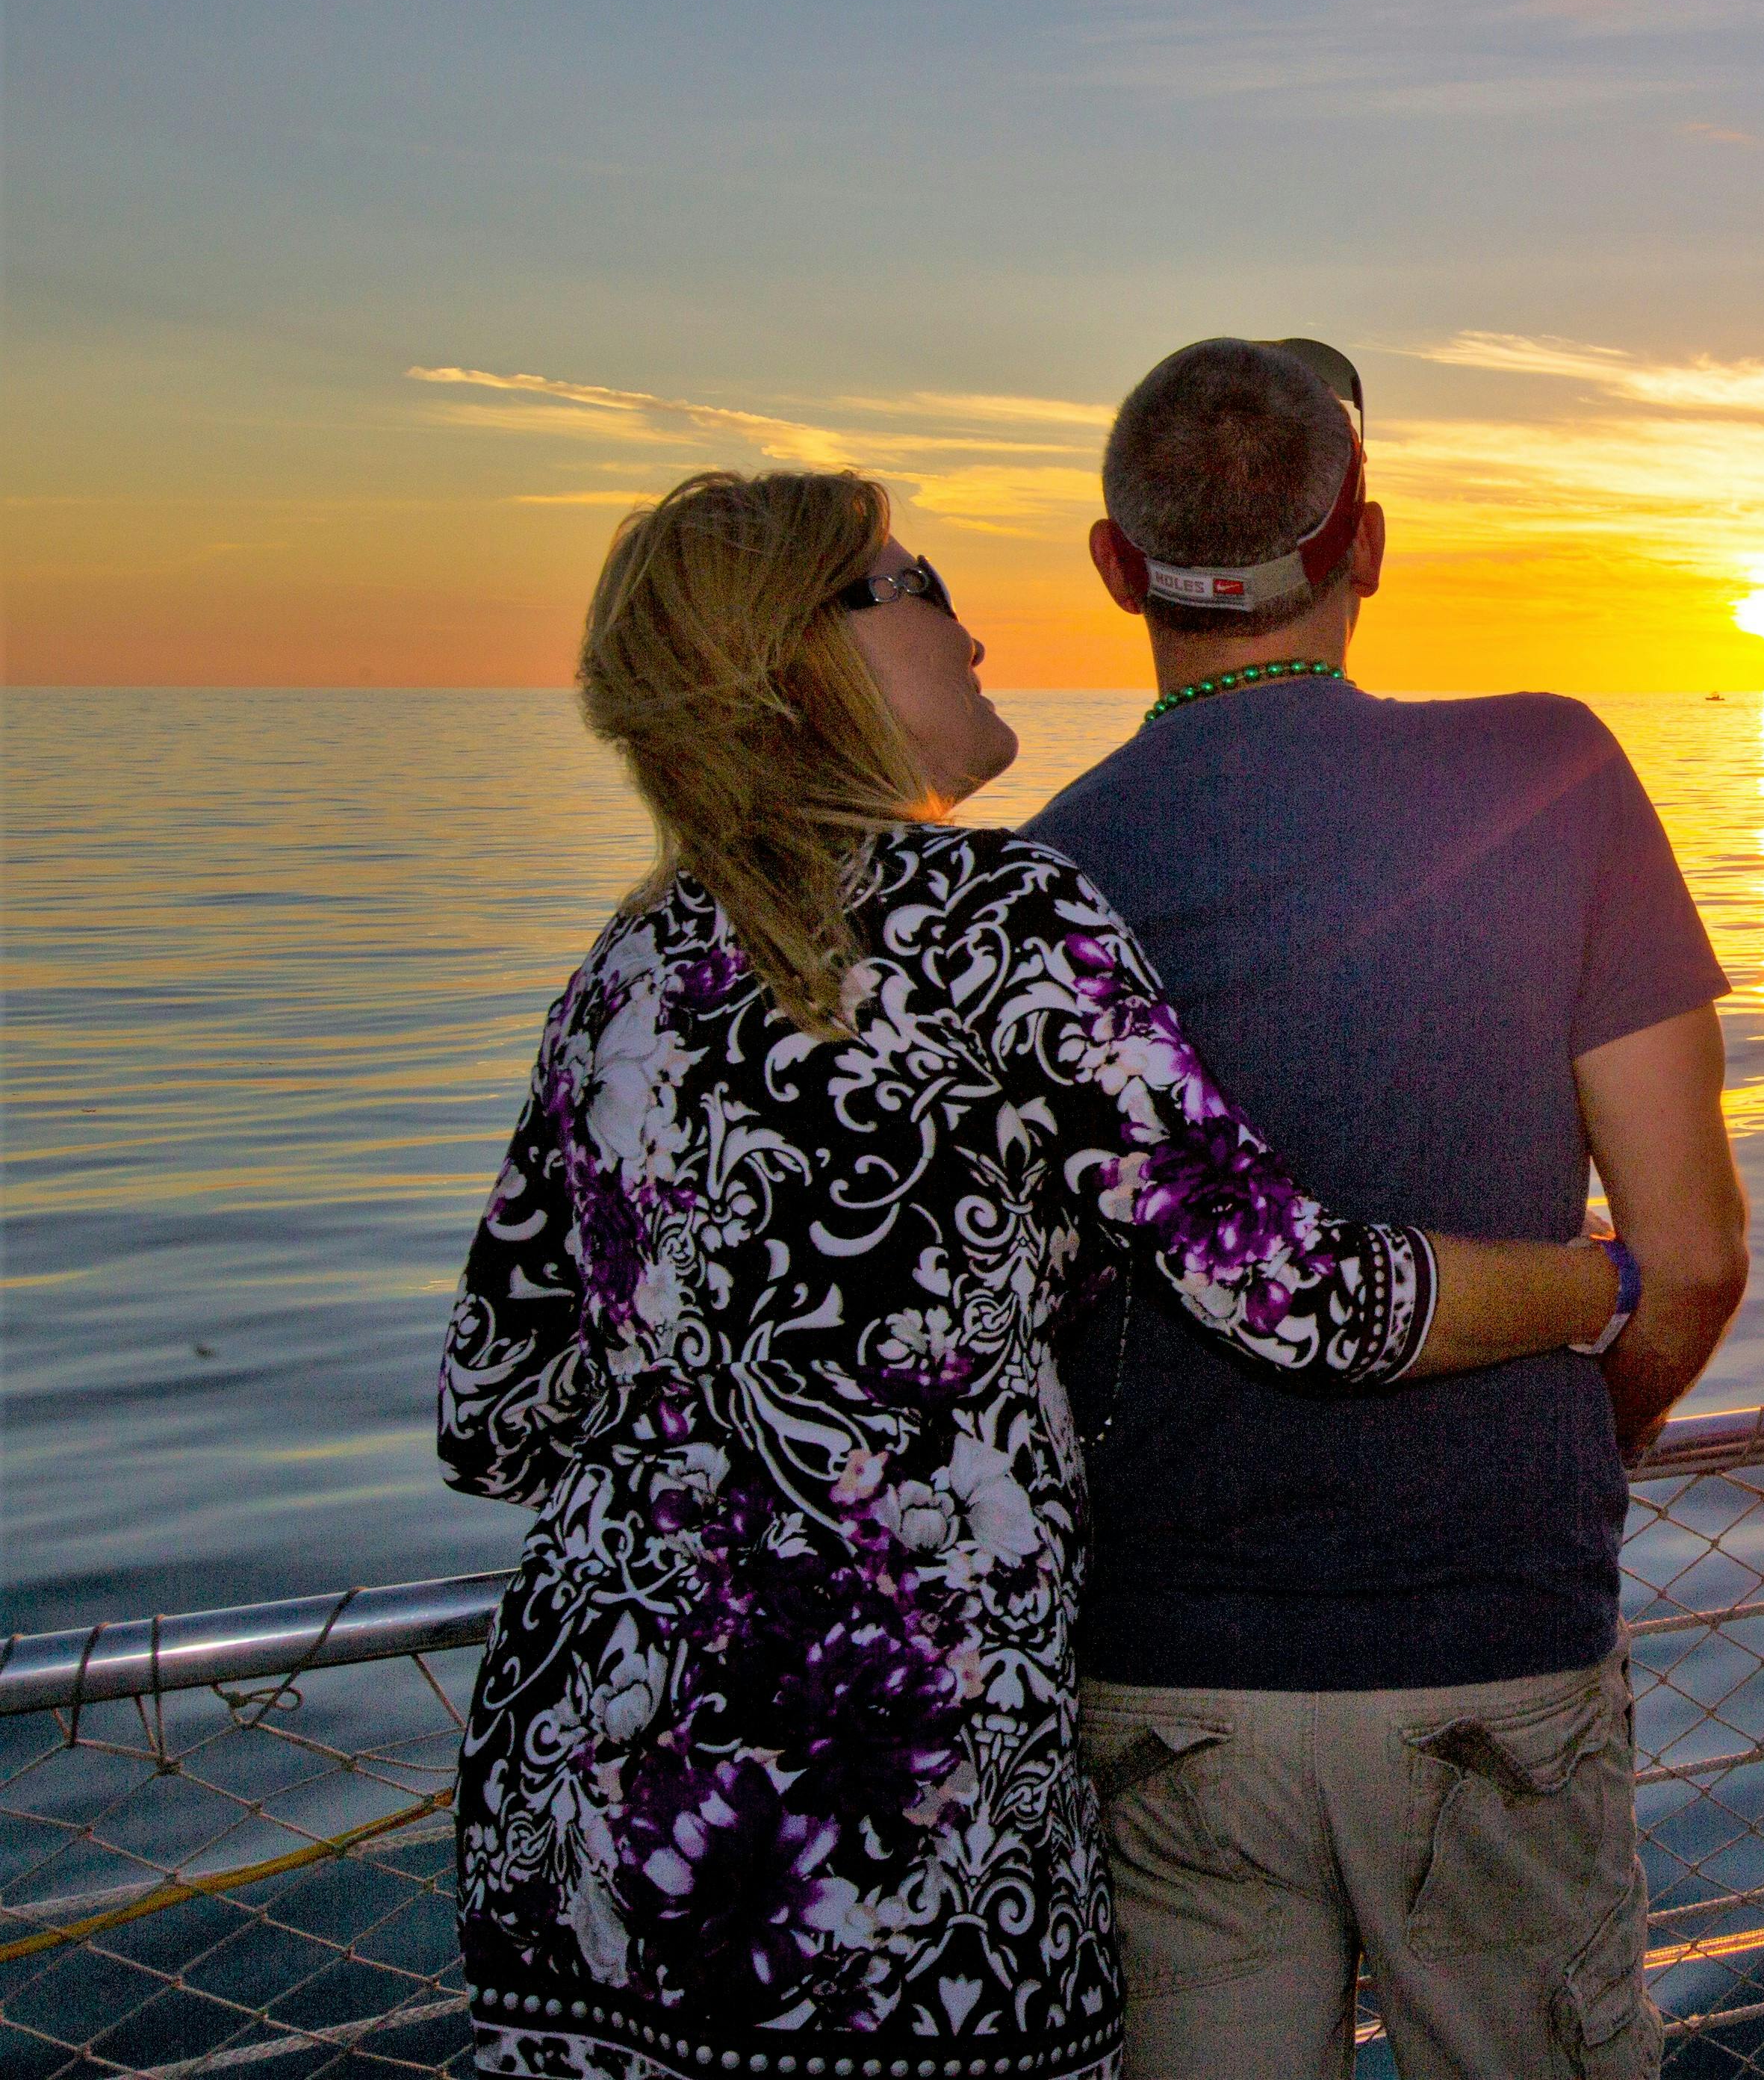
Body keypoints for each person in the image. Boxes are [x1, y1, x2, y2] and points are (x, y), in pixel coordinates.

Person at [439, 470, 1637, 2080]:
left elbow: (495, 1414)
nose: (977, 624)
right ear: (813, 651)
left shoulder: (625, 972)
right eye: (918, 582)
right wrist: (1593, 1290)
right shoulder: (997, 915)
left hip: (587, 1809)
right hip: (888, 1812)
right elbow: (1286, 1295)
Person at [1028, 338, 1748, 2080]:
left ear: (1118, 566)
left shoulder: (1031, 880)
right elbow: (1697, 1254)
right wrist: (1579, 1443)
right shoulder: (1551, 775)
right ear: (1369, 538)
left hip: (1161, 1678)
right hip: (1485, 1637)